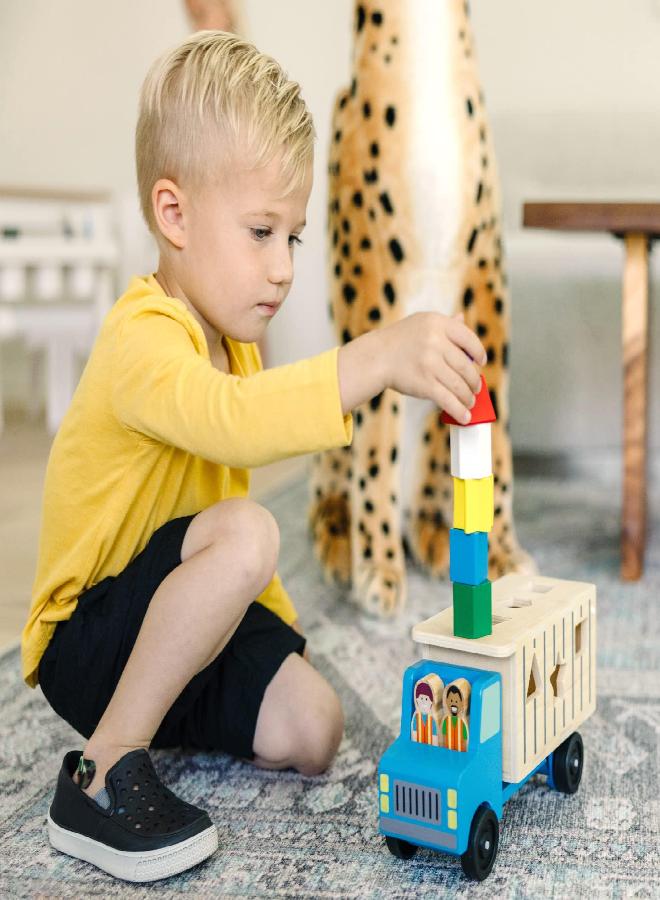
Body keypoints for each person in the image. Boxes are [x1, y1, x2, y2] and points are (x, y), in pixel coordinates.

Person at [21, 30, 487, 883]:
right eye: (262, 232)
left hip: (173, 614)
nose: (281, 269)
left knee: (314, 728)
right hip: (91, 636)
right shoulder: (145, 337)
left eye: (294, 239)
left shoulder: (232, 339)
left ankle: (161, 710)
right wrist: (374, 358)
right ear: (174, 214)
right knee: (249, 533)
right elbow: (232, 429)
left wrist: (276, 642)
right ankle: (99, 771)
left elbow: (215, 489)